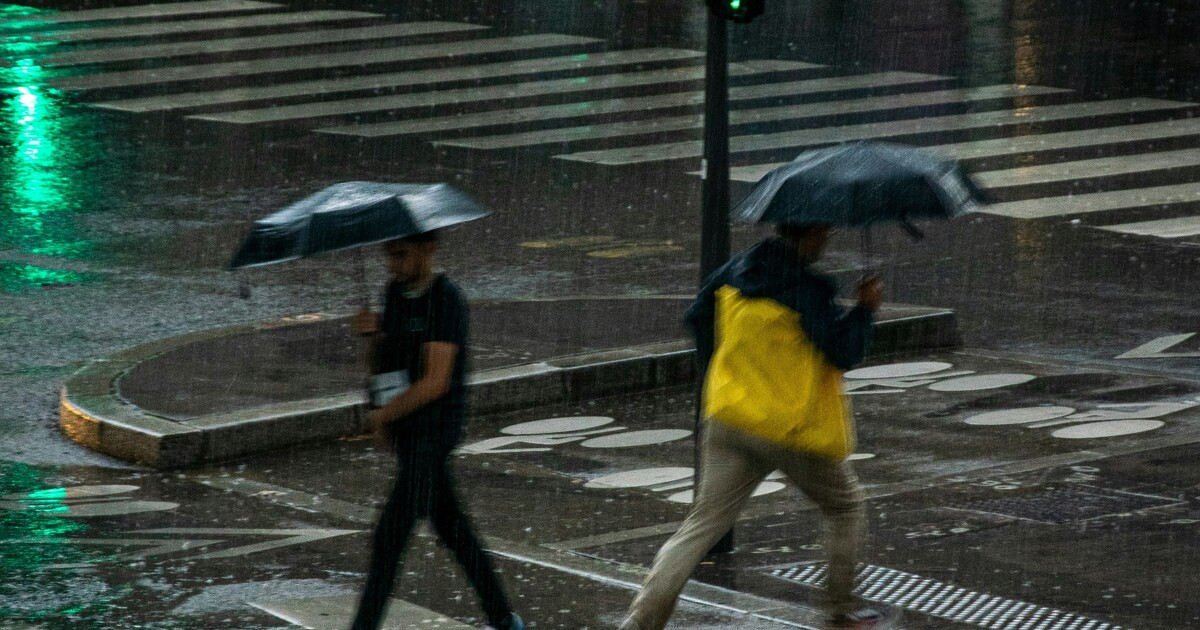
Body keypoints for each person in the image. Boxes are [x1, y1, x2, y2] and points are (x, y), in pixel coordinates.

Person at [618, 223, 898, 630]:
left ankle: (640, 622)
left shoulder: (735, 271)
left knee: (700, 526)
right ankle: (839, 611)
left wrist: (729, 371)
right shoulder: (807, 288)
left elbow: (698, 318)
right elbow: (844, 352)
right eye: (824, 233)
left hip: (730, 415)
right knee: (845, 507)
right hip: (789, 426)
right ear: (808, 234)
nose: (827, 239)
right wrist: (865, 310)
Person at [349, 230, 525, 630]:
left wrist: (383, 416)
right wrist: (371, 338)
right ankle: (504, 619)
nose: (393, 264)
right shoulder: (394, 293)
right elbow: (385, 364)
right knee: (455, 532)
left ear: (427, 249)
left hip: (434, 432)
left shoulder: (446, 300)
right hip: (409, 434)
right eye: (388, 255)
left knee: (389, 537)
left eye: (400, 254)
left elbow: (436, 381)